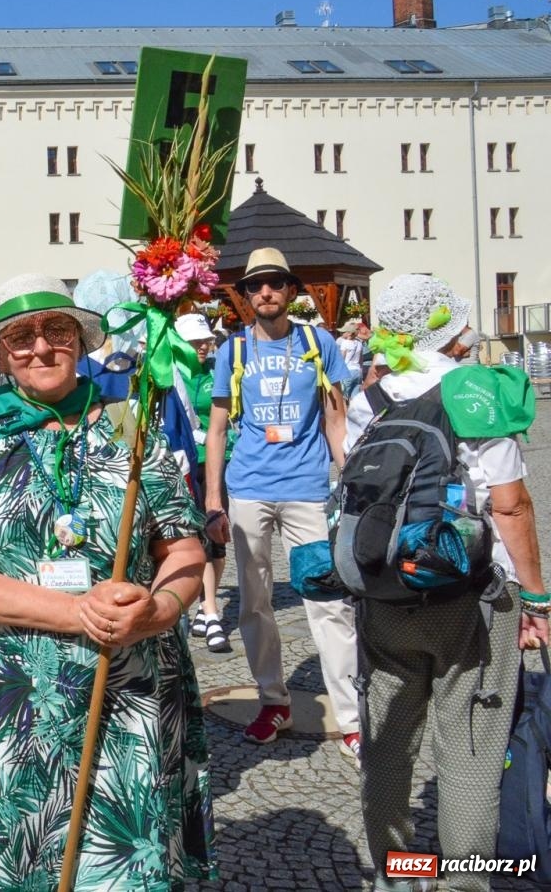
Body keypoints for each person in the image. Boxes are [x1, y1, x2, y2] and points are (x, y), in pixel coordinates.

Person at [0, 274, 214, 890]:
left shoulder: (131, 430)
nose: (40, 347)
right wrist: (76, 611)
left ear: (79, 340)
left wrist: (159, 609)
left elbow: (184, 549)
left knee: (120, 866)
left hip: (128, 693)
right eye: (20, 337)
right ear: (1, 354)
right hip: (17, 705)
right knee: (22, 865)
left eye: (56, 330)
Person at [348, 274, 544, 892]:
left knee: (388, 747)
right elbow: (510, 506)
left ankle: (398, 875)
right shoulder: (472, 391)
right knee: (470, 754)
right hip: (471, 596)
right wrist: (538, 599)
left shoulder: (370, 397)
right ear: (450, 331)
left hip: (385, 590)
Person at [204, 247, 360, 758]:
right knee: (255, 602)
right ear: (246, 295)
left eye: (275, 282)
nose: (266, 292)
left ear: (291, 290)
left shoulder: (319, 343)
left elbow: (335, 419)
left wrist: (350, 480)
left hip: (308, 490)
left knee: (327, 602)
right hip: (249, 489)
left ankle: (352, 717)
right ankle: (274, 700)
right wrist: (213, 501)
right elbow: (217, 429)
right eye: (256, 285)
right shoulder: (234, 350)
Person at [173, 312, 232, 653]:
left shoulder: (215, 371)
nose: (202, 347)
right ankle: (210, 611)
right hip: (183, 462)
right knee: (196, 538)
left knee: (218, 536)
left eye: (205, 341)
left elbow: (228, 416)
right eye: (194, 342)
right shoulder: (172, 372)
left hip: (215, 462)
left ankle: (206, 602)